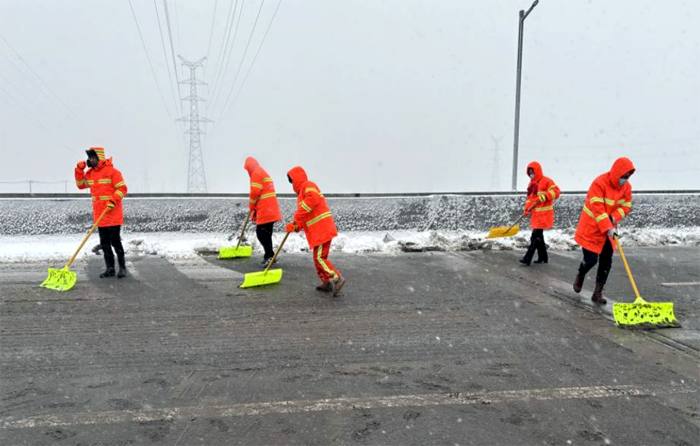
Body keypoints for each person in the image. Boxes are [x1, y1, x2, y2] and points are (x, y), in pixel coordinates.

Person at [573, 157, 635, 304]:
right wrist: (607, 227)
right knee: (591, 259)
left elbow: (626, 206)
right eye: (623, 176)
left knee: (606, 261)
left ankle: (597, 293)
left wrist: (613, 218)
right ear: (617, 173)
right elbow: (597, 209)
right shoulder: (599, 183)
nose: (625, 180)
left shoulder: (626, 188)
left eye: (628, 177)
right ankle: (581, 274)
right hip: (592, 228)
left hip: (609, 229)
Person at [285, 166, 345, 296]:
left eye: (292, 180)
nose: (292, 184)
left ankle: (336, 277)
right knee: (318, 258)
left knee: (319, 258)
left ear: (297, 178)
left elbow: (313, 198)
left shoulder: (308, 185)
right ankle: (327, 281)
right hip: (317, 231)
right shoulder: (301, 196)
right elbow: (303, 217)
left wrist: (298, 214)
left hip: (322, 229)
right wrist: (294, 226)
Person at [75, 147, 128, 278]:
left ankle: (122, 268)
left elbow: (122, 188)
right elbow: (81, 185)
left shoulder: (113, 172)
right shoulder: (90, 173)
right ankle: (110, 269)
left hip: (113, 214)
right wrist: (79, 170)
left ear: (99, 158)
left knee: (115, 242)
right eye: (90, 158)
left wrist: (113, 201)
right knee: (105, 244)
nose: (91, 160)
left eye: (93, 158)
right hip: (100, 216)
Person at [244, 157, 283, 267]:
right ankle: (269, 255)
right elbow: (262, 193)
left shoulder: (256, 173)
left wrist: (251, 206)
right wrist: (255, 211)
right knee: (266, 234)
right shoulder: (261, 172)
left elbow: (255, 192)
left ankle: (270, 255)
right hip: (269, 209)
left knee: (261, 234)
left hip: (266, 210)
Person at [520, 161, 560, 266]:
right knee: (539, 237)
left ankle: (527, 258)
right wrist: (526, 209)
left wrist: (546, 196)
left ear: (537, 171)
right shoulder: (531, 184)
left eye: (532, 172)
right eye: (529, 173)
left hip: (544, 215)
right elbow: (530, 199)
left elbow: (556, 191)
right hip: (536, 215)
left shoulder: (547, 181)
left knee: (534, 237)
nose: (531, 175)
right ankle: (543, 257)